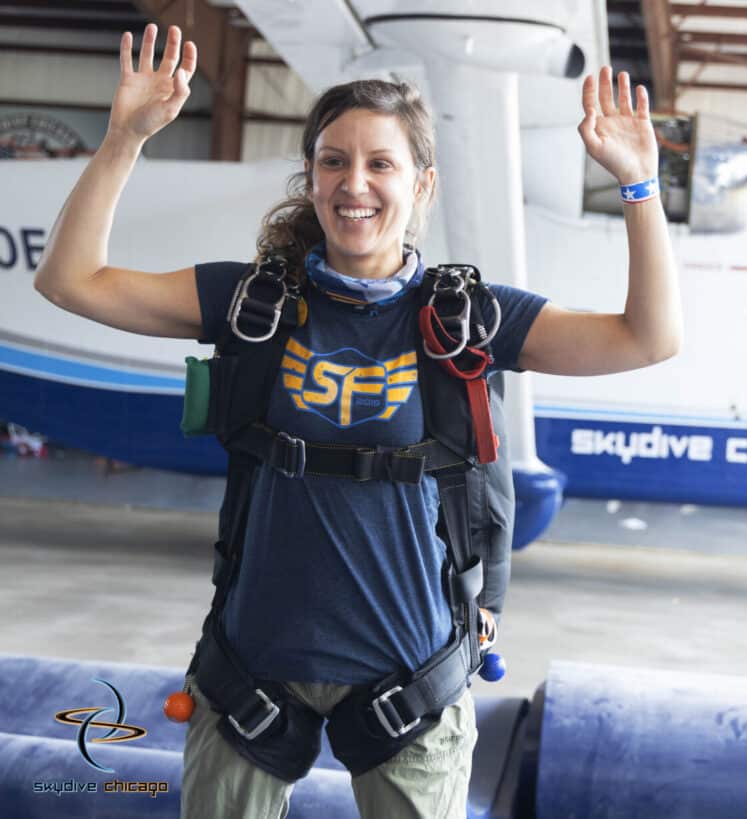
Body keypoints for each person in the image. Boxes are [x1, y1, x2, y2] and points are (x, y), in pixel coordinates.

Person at [34, 22, 681, 819]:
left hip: (409, 681)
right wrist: (125, 140)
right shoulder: (251, 303)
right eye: (334, 161)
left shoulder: (470, 317)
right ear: (309, 178)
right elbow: (70, 281)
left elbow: (648, 338)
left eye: (382, 164)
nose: (355, 184)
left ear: (424, 186)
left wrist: (639, 187)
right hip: (252, 672)